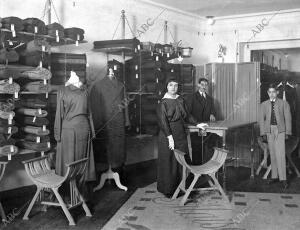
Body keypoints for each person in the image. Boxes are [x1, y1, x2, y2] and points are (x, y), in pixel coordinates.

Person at [156, 78, 207, 197]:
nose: (173, 87)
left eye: (176, 85)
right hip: (167, 135)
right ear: (166, 87)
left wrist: (197, 124)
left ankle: (182, 187)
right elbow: (163, 122)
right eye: (171, 85)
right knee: (169, 161)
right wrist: (170, 137)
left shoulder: (180, 100)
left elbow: (187, 115)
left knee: (181, 160)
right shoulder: (162, 103)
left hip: (180, 134)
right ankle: (168, 190)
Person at [54, 71, 96, 183]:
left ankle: (69, 192)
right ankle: (80, 192)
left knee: (69, 161)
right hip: (84, 128)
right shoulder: (85, 91)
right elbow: (90, 113)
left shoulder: (62, 90)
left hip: (69, 130)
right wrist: (92, 131)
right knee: (82, 161)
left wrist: (57, 134)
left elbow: (59, 114)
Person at [259, 83, 291, 189]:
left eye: (274, 92)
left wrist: (287, 132)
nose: (272, 94)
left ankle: (283, 178)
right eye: (270, 92)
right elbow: (261, 120)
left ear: (277, 92)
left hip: (280, 130)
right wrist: (263, 133)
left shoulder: (284, 103)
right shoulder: (263, 104)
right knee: (272, 153)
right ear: (267, 93)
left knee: (280, 154)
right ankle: (274, 176)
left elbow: (288, 119)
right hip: (269, 131)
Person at [186, 78, 217, 165]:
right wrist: (196, 123)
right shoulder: (192, 97)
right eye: (202, 84)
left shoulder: (210, 99)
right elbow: (188, 113)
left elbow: (213, 111)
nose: (204, 87)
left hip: (207, 127)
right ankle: (196, 170)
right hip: (196, 127)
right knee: (197, 148)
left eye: (206, 85)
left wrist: (212, 114)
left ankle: (205, 169)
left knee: (207, 147)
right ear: (198, 85)